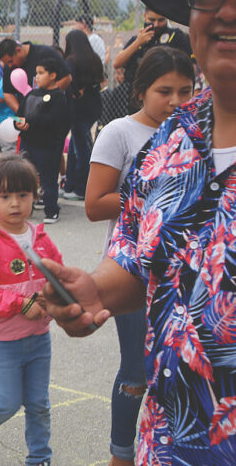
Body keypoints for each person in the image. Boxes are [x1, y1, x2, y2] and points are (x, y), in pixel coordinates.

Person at [42, 0, 236, 464]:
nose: (228, 11)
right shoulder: (169, 141)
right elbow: (137, 260)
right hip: (166, 443)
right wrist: (93, 288)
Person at [85, 46, 195, 466]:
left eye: (185, 91)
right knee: (137, 371)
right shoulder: (120, 133)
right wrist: (156, 195)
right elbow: (95, 205)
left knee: (184, 370)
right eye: (164, 91)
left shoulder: (199, 132)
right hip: (134, 270)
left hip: (188, 278)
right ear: (139, 91)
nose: (176, 102)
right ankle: (121, 454)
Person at [0, 154, 61, 466]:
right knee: (6, 402)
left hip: (38, 338)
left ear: (34, 195)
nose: (15, 203)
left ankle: (39, 458)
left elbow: (59, 278)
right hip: (1, 340)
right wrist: (21, 304)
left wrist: (57, 301)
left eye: (23, 195)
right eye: (5, 196)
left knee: (39, 404)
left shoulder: (41, 239)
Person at [15, 58, 71, 224]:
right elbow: (20, 113)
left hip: (47, 145)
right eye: (36, 73)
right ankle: (26, 208)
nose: (37, 77)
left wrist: (30, 122)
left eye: (41, 73)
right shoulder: (31, 94)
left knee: (48, 178)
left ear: (53, 75)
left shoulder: (58, 97)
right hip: (28, 142)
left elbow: (54, 120)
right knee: (24, 176)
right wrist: (18, 123)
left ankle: (51, 209)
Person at [113, 8, 191, 113]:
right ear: (145, 16)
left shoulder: (176, 36)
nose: (156, 24)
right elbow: (117, 63)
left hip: (166, 99)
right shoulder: (138, 39)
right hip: (136, 99)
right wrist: (138, 43)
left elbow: (191, 67)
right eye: (152, 20)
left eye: (161, 20)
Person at [61, 29, 104, 201]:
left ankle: (81, 187)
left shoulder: (71, 60)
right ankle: (70, 184)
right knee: (76, 145)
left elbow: (68, 79)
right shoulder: (94, 59)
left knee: (80, 148)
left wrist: (73, 92)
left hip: (78, 106)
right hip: (93, 104)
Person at [0, 38, 71, 114]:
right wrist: (22, 113)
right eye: (7, 63)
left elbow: (66, 77)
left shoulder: (46, 53)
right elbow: (8, 93)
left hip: (52, 111)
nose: (10, 65)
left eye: (10, 61)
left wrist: (47, 101)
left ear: (19, 50)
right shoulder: (10, 67)